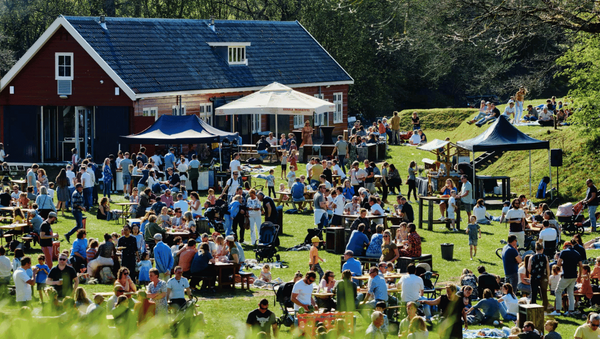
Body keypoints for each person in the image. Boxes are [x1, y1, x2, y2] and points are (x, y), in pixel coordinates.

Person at [551, 241, 583, 316]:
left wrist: (563, 264)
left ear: (565, 246)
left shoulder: (564, 252)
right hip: (574, 276)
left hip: (566, 275)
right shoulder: (577, 253)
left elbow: (558, 263)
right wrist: (580, 276)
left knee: (558, 291)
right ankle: (570, 310)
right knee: (570, 293)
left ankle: (558, 310)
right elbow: (581, 265)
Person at [528, 242, 550, 310]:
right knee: (544, 293)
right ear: (542, 249)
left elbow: (529, 269)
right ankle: (545, 308)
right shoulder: (545, 257)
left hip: (534, 277)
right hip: (543, 277)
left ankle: (533, 307)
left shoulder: (532, 257)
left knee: (534, 293)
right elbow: (547, 268)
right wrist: (548, 276)